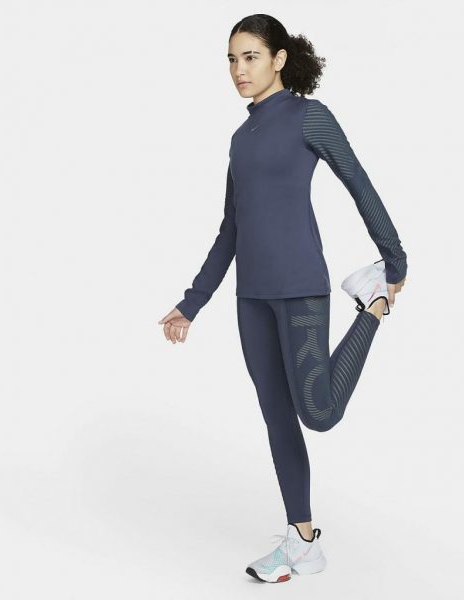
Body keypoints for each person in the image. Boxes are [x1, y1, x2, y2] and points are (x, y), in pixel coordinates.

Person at [158, 14, 408, 583]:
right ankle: (302, 541)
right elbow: (231, 229)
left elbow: (358, 181)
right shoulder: (240, 138)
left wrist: (394, 262)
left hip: (300, 287)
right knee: (277, 418)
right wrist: (192, 302)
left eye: (250, 56)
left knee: (319, 412)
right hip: (251, 298)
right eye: (231, 59)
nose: (239, 70)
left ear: (278, 59)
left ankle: (373, 303)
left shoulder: (308, 117)